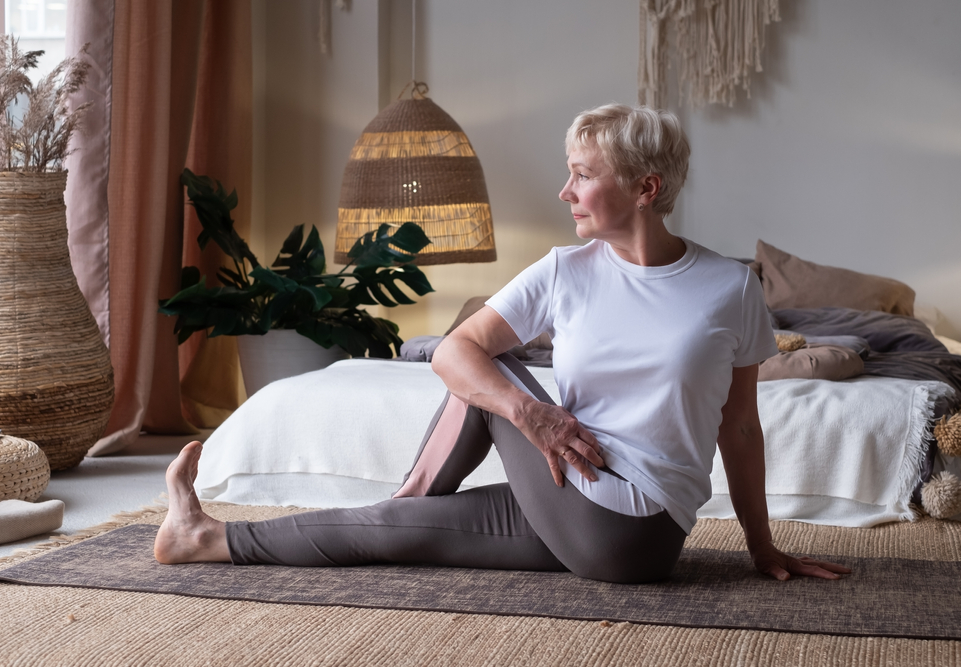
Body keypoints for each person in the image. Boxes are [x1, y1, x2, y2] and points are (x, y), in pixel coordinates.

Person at [154, 104, 849, 584]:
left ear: (646, 187)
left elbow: (741, 426)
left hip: (634, 526)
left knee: (498, 372)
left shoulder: (729, 288)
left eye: (583, 174)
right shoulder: (564, 270)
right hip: (572, 496)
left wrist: (762, 545)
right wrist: (535, 416)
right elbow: (455, 352)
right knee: (399, 531)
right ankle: (205, 538)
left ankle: (405, 496)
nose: (564, 190)